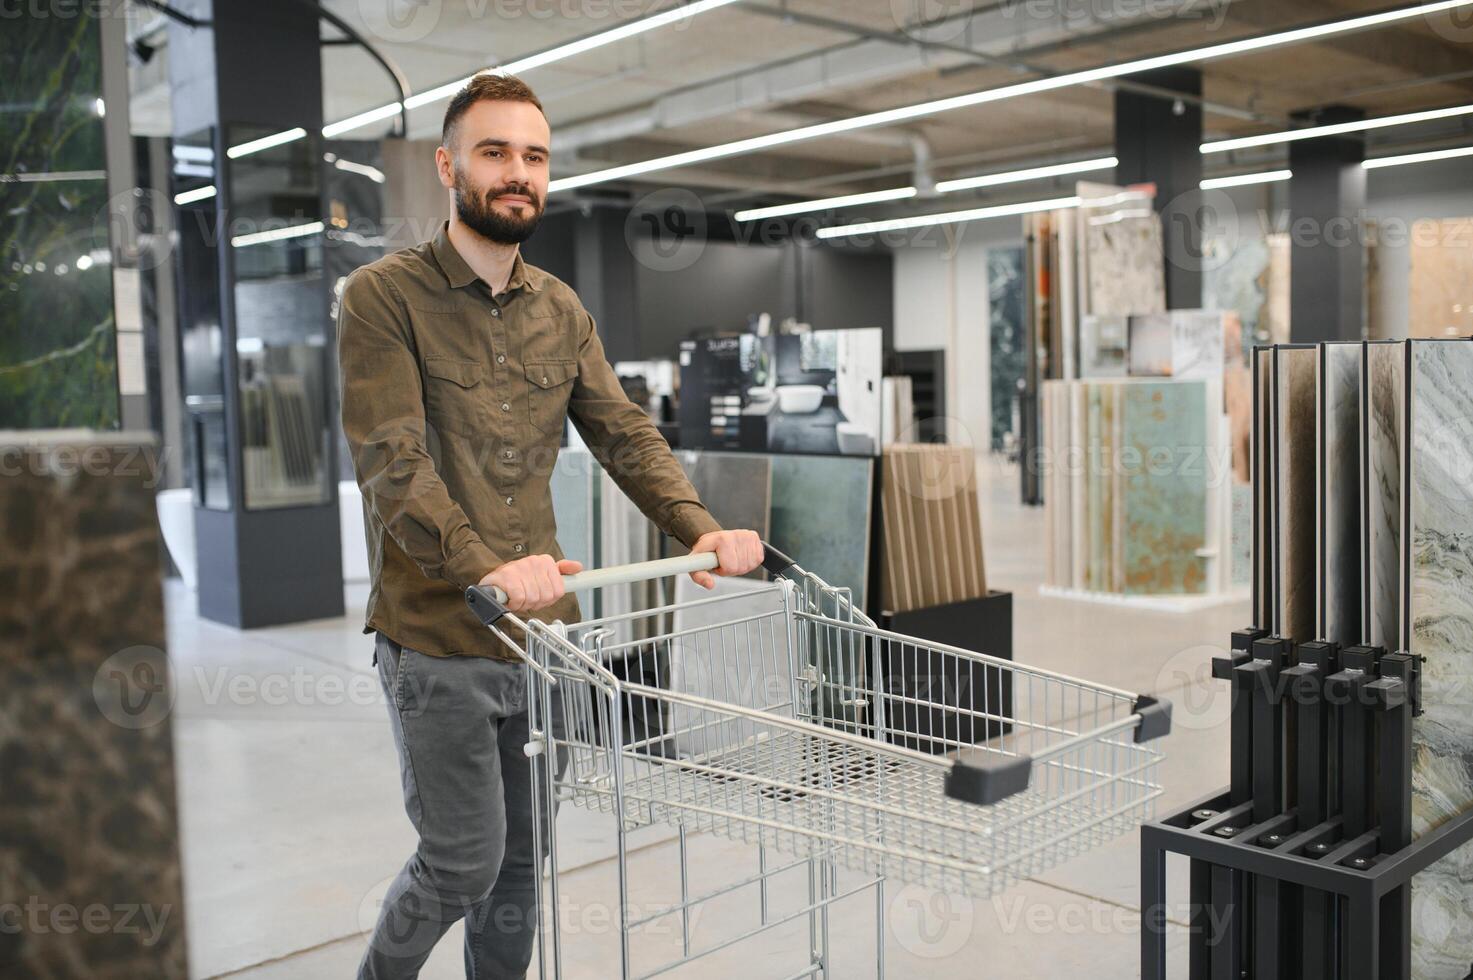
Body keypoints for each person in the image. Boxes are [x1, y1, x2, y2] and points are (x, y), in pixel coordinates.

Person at [338, 72, 763, 979]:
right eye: (494, 152)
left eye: (533, 156)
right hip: (438, 639)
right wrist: (491, 568)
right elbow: (393, 464)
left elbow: (622, 431)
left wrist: (698, 525)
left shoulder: (561, 308)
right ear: (449, 166)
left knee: (521, 869)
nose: (516, 172)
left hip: (541, 643)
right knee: (461, 864)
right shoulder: (382, 298)